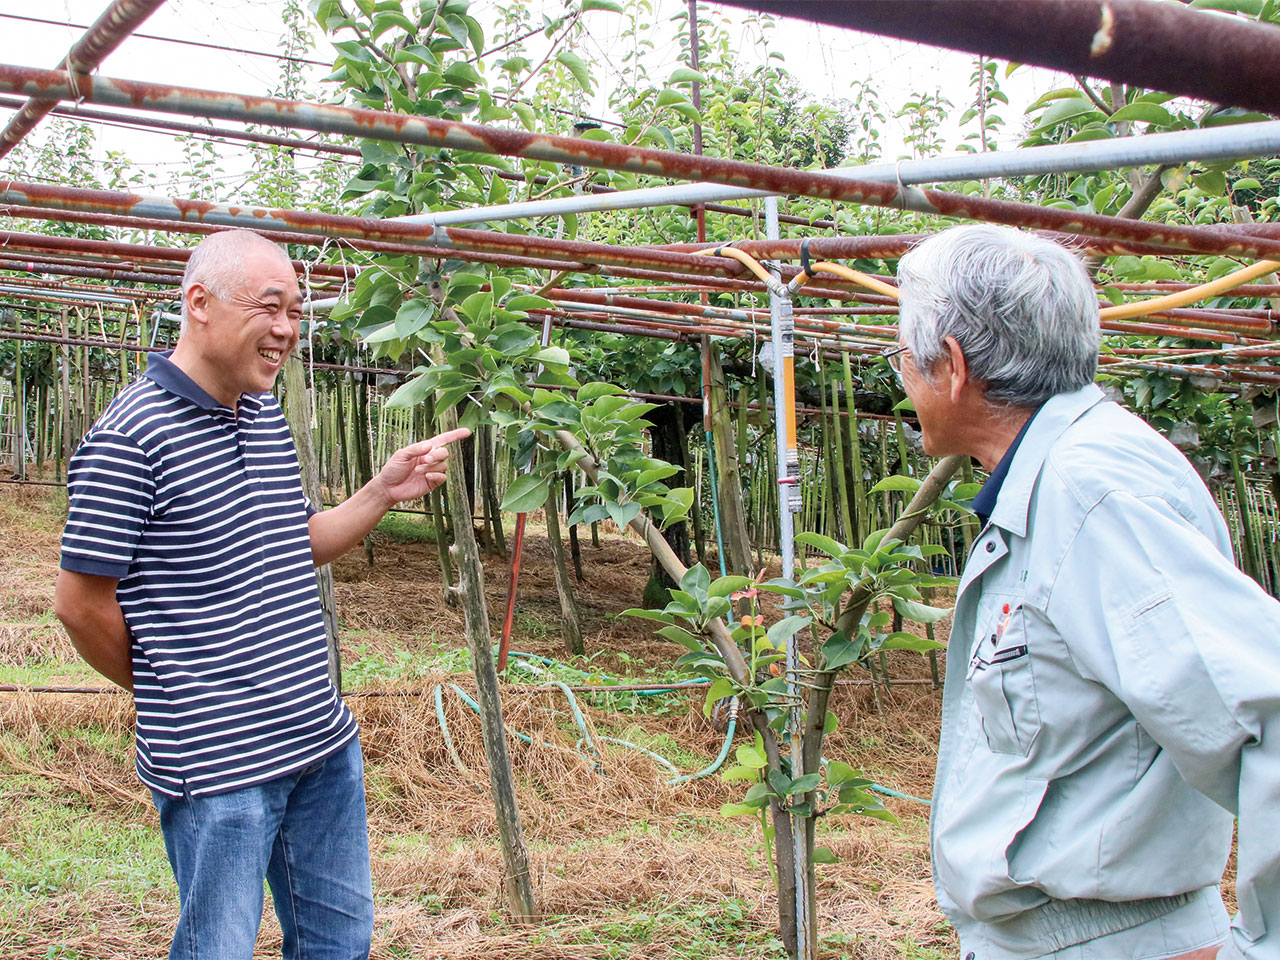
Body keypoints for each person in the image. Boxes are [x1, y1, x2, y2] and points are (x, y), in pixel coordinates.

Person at [53, 229, 468, 960]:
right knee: (218, 947)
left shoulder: (262, 414)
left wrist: (380, 492)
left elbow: (292, 543)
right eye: (270, 307)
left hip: (318, 739)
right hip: (219, 768)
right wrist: (176, 685)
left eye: (296, 311)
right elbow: (80, 604)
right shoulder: (130, 437)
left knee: (340, 943)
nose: (286, 329)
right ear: (200, 303)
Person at [892, 224, 1278, 960]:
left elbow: (1266, 709)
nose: (901, 378)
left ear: (953, 366)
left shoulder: (1091, 492)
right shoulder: (1063, 472)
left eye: (904, 357)